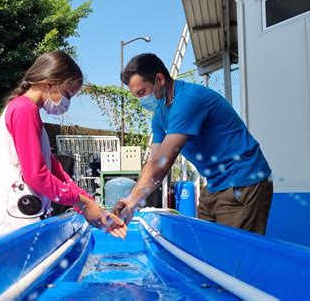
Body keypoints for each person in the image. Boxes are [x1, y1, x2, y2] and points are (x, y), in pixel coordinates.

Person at [0, 50, 126, 241]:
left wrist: (91, 206)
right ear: (51, 81)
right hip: (10, 226)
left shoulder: (30, 112)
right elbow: (37, 176)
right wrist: (84, 204)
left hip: (19, 223)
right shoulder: (24, 109)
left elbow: (56, 172)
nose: (67, 102)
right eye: (68, 94)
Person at [113, 53, 273, 235]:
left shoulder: (188, 100)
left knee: (233, 257)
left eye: (142, 93)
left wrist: (133, 200)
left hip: (244, 180)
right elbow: (153, 162)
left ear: (159, 79)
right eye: (136, 96)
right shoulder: (160, 117)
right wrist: (132, 200)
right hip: (215, 184)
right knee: (203, 251)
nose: (141, 101)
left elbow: (162, 163)